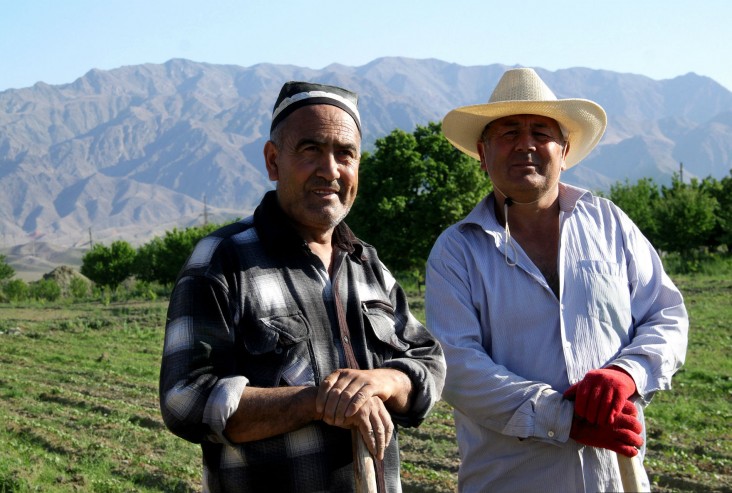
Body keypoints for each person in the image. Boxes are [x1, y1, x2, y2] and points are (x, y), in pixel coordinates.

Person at [159, 81, 446, 492]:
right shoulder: (223, 260)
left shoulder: (367, 263)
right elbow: (183, 399)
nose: (330, 170)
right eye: (310, 149)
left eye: (345, 154)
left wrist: (386, 382)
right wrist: (314, 402)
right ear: (273, 161)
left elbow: (430, 361)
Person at [425, 68, 688, 492]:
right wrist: (564, 419)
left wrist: (626, 373)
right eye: (508, 132)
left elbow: (667, 315)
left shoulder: (610, 223)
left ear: (564, 150)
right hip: (510, 481)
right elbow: (457, 366)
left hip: (615, 478)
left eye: (540, 132)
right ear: (482, 151)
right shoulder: (457, 251)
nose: (525, 144)